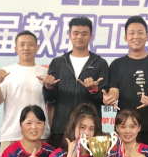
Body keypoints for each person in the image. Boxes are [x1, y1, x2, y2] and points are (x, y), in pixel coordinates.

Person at [41, 17, 110, 149]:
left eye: (84, 33)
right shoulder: (58, 62)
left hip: (90, 130)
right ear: (70, 35)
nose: (79, 37)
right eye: (76, 33)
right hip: (61, 128)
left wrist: (94, 90)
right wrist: (48, 87)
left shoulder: (100, 63)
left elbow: (104, 98)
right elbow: (50, 98)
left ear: (91, 36)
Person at [104, 16, 148, 150]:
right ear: (125, 37)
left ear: (147, 36)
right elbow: (114, 90)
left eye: (140, 32)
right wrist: (110, 98)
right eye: (131, 33)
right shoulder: (117, 65)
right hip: (125, 127)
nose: (136, 36)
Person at [0, 31, 51, 153]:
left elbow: (52, 103)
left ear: (37, 48)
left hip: (39, 134)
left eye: (30, 44)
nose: (26, 48)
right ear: (16, 48)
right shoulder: (6, 72)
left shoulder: (46, 73)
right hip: (11, 134)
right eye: (22, 44)